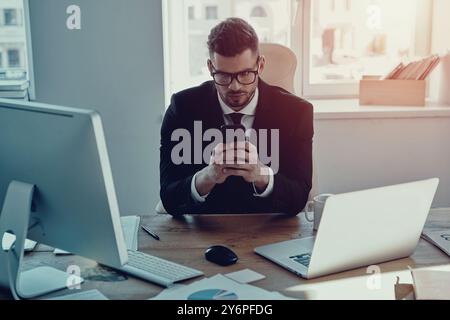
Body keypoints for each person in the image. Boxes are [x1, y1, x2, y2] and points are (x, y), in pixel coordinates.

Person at [160, 18, 313, 216]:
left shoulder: (296, 113)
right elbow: (169, 197)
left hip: (268, 228)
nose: (235, 86)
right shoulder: (182, 109)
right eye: (223, 75)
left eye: (245, 74)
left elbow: (299, 195)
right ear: (210, 68)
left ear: (261, 65)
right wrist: (208, 176)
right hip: (204, 229)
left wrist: (261, 175)